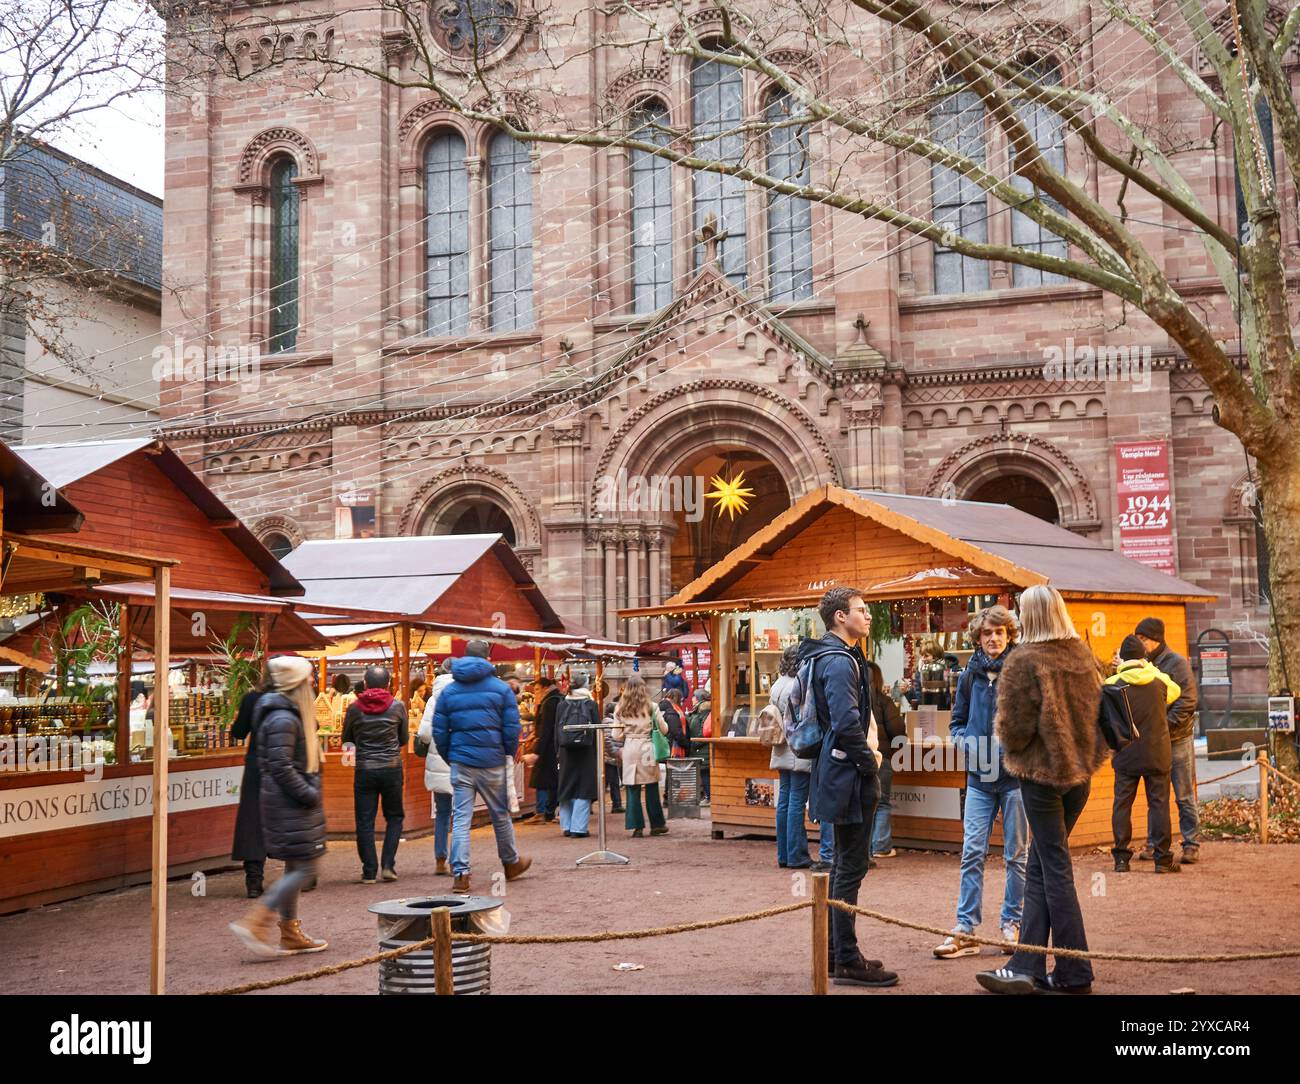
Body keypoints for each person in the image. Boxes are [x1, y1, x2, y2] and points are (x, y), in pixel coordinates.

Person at [977, 585, 1105, 995]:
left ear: (1029, 616)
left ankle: (1074, 972)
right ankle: (1025, 964)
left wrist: (1016, 748)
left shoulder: (1024, 661)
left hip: (1041, 778)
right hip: (1079, 778)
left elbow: (1012, 733)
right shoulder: (1083, 656)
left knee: (1054, 869)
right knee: (1041, 866)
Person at [801, 586, 898, 988]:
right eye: (861, 610)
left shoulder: (831, 655)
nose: (868, 616)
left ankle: (838, 953)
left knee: (843, 864)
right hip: (848, 773)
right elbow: (845, 722)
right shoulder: (839, 661)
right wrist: (868, 767)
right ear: (840, 617)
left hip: (837, 770)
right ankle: (845, 959)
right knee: (850, 867)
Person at [934, 606, 1028, 960]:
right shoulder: (968, 676)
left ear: (1009, 636)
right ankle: (965, 928)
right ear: (978, 637)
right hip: (978, 778)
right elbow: (956, 721)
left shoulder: (1020, 673)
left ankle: (1011, 925)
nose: (993, 639)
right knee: (972, 852)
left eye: (999, 634)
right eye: (987, 634)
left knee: (1016, 855)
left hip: (1015, 778)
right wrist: (963, 742)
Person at [229, 656, 328, 956]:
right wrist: (308, 793)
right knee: (304, 865)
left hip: (286, 798)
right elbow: (282, 765)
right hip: (290, 801)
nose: (312, 683)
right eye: (308, 678)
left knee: (298, 864)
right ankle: (257, 921)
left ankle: (289, 931)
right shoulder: (284, 717)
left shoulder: (284, 712)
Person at [433, 640, 532, 894]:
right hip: (492, 761)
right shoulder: (501, 690)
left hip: (461, 762)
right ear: (488, 658)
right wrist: (507, 754)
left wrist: (451, 757)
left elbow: (439, 731)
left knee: (462, 819)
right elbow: (512, 729)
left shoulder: (449, 692)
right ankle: (510, 863)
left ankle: (461, 874)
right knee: (499, 815)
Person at [1109, 635, 1181, 874]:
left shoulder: (1111, 684)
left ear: (1123, 659)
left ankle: (1121, 859)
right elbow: (1176, 691)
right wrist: (1147, 665)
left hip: (1125, 754)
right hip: (1156, 753)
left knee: (1122, 805)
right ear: (1144, 657)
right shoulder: (1159, 681)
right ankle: (1162, 859)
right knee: (1159, 806)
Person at [1134, 617, 1200, 865]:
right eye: (1137, 639)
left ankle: (1191, 844)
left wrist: (1164, 725)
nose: (1139, 643)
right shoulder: (1144, 664)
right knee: (1157, 796)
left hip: (1177, 738)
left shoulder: (1176, 663)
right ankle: (1155, 844)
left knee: (1183, 794)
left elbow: (1188, 701)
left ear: (1155, 640)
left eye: (1142, 639)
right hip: (1156, 740)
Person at [342, 665, 409, 884]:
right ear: (388, 684)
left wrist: (352, 755)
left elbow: (347, 738)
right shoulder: (398, 707)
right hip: (391, 767)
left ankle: (369, 871)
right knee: (395, 817)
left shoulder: (354, 709)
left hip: (364, 769)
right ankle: (388, 865)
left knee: (364, 820)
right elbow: (404, 739)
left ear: (366, 684)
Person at [770, 646, 813, 868]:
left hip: (780, 747)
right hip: (797, 746)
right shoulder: (798, 684)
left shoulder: (778, 684)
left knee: (784, 800)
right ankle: (797, 855)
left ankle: (784, 854)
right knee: (797, 800)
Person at [612, 675, 670, 837]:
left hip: (630, 748)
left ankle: (636, 826)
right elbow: (664, 729)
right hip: (647, 748)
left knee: (632, 788)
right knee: (651, 787)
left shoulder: (620, 708)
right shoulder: (652, 707)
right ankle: (657, 824)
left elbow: (616, 735)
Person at [229, 677, 270, 898]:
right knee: (291, 819)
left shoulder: (252, 699)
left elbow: (238, 732)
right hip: (285, 766)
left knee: (253, 822)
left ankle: (254, 880)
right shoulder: (291, 698)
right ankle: (298, 877)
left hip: (257, 767)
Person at [416, 659, 456, 874]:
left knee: (442, 812)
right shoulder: (463, 694)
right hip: (460, 760)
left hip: (438, 760)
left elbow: (424, 733)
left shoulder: (433, 699)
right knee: (460, 814)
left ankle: (440, 859)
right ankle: (457, 861)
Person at [866, 661, 906, 861]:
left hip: (860, 759)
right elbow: (898, 731)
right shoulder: (884, 701)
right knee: (882, 803)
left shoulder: (852, 700)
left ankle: (864, 848)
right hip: (882, 758)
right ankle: (881, 845)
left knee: (864, 804)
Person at [556, 673, 601, 838]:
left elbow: (556, 730)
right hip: (586, 751)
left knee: (566, 787)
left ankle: (566, 826)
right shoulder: (591, 704)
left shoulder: (562, 704)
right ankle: (579, 828)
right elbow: (597, 730)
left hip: (565, 751)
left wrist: (557, 752)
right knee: (584, 788)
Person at [522, 677, 562, 823]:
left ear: (545, 688)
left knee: (542, 779)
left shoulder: (548, 702)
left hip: (547, 747)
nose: (536, 692)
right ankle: (549, 811)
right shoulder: (558, 698)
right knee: (552, 780)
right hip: (556, 745)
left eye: (537, 689)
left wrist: (537, 751)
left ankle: (542, 811)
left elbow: (545, 729)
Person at [686, 690, 712, 803]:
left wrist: (695, 742)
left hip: (702, 748)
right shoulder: (698, 711)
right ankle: (706, 795)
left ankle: (709, 797)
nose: (692, 698)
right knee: (703, 774)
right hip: (698, 747)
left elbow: (705, 731)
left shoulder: (705, 711)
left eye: (694, 696)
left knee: (705, 773)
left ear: (699, 698)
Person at [659, 687, 689, 756]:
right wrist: (686, 744)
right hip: (672, 747)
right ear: (677, 699)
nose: (682, 703)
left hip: (664, 746)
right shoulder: (672, 711)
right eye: (681, 700)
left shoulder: (661, 707)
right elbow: (676, 731)